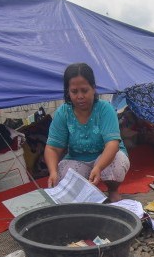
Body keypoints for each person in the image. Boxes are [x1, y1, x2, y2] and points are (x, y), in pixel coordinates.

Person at [44, 62, 130, 203]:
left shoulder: (105, 109)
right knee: (62, 173)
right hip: (78, 158)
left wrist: (98, 167)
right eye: (74, 92)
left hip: (105, 157)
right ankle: (91, 195)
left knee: (116, 164)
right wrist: (53, 172)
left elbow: (112, 144)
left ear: (93, 88)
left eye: (84, 90)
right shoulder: (63, 112)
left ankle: (113, 190)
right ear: (68, 92)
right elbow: (52, 148)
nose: (80, 96)